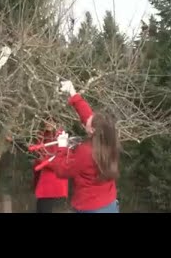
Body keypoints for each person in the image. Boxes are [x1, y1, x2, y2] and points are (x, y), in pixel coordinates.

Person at [47, 80, 120, 213]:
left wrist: (62, 147)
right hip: (109, 204)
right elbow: (88, 116)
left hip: (90, 208)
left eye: (88, 122)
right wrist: (72, 93)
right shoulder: (109, 141)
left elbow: (62, 170)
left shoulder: (86, 151)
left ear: (92, 130)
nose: (87, 119)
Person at [32, 116, 69, 213]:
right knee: (41, 207)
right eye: (47, 120)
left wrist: (42, 161)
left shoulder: (60, 138)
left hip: (51, 182)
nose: (49, 123)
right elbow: (35, 148)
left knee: (44, 208)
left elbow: (59, 161)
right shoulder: (43, 135)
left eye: (52, 121)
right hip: (43, 178)